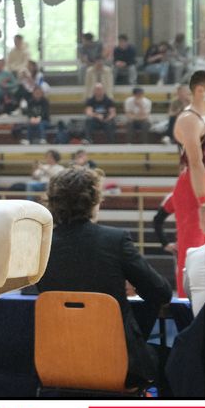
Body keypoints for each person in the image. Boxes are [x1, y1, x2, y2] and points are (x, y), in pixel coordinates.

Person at [35, 166, 172, 388]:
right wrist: (134, 285)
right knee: (176, 360)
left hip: (57, 362)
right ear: (93, 202)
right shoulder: (114, 240)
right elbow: (161, 292)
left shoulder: (40, 245)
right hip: (119, 364)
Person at [169, 70, 205, 296]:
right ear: (201, 91)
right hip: (194, 188)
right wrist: (203, 201)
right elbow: (195, 162)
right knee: (191, 248)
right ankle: (186, 304)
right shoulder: (189, 119)